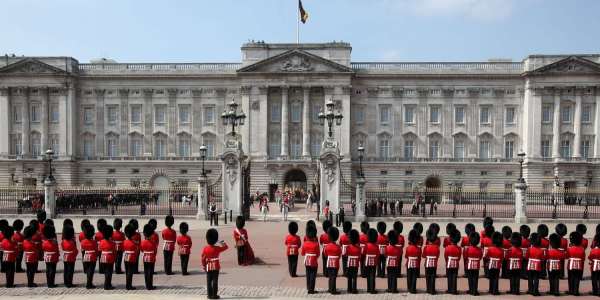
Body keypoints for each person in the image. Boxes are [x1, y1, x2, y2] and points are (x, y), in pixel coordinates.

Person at [202, 228, 228, 299]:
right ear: (215, 239)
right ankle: (214, 295)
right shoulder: (217, 248)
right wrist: (220, 241)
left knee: (208, 281)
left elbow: (203, 258)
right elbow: (226, 247)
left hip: (208, 266)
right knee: (215, 281)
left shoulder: (205, 248)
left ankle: (209, 295)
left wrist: (204, 266)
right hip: (216, 266)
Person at [301, 225, 319, 294]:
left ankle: (308, 287)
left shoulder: (305, 244)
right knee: (313, 275)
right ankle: (311, 289)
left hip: (307, 260)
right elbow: (318, 254)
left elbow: (302, 253)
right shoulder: (316, 244)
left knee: (308, 274)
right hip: (314, 260)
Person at [324, 226, 342, 295]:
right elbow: (339, 255)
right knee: (334, 276)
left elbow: (325, 254)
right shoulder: (338, 247)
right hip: (336, 263)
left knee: (330, 276)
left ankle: (330, 288)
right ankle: (333, 290)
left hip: (329, 262)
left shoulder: (327, 246)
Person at [566, 231, 585, 296]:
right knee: (577, 278)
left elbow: (567, 256)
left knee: (570, 278)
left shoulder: (570, 248)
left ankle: (571, 290)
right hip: (579, 265)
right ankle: (576, 291)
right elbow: (583, 258)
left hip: (571, 265)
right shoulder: (582, 249)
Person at [423, 229, 440, 295]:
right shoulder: (437, 247)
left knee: (428, 277)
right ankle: (432, 290)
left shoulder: (426, 247)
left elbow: (423, 256)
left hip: (427, 264)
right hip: (434, 264)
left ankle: (428, 289)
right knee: (433, 276)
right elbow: (438, 255)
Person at [444, 229, 462, 295]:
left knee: (449, 277)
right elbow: (459, 257)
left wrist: (447, 262)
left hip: (449, 263)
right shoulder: (459, 248)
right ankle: (454, 290)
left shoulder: (447, 247)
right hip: (456, 264)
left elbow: (445, 256)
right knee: (454, 276)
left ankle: (449, 289)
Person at [465, 232, 483, 296]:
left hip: (469, 265)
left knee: (470, 278)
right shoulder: (480, 249)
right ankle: (475, 291)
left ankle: (470, 290)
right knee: (475, 278)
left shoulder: (468, 249)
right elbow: (480, 257)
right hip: (476, 266)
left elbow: (466, 257)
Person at [99, 224, 115, 290]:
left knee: (106, 272)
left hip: (103, 257)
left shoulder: (101, 242)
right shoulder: (112, 243)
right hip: (109, 257)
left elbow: (100, 249)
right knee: (109, 272)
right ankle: (107, 285)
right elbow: (114, 251)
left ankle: (108, 283)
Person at [81, 224, 97, 289]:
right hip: (92, 257)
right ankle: (89, 284)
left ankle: (89, 283)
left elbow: (82, 250)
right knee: (91, 271)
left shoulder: (83, 242)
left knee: (88, 271)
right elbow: (96, 250)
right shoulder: (94, 242)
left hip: (85, 256)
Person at [363, 228, 379, 294]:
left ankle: (368, 288)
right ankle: (373, 289)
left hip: (367, 262)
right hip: (374, 262)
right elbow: (378, 254)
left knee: (368, 276)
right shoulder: (376, 246)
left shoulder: (366, 246)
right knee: (372, 276)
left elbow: (364, 253)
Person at [405, 229, 421, 294]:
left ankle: (409, 288)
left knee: (409, 276)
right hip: (416, 264)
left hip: (409, 263)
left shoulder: (408, 248)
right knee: (414, 276)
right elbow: (419, 257)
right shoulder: (419, 249)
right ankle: (413, 289)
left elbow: (406, 256)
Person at [141, 224, 156, 290]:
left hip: (145, 257)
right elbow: (155, 251)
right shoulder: (153, 243)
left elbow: (141, 250)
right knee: (150, 272)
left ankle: (147, 285)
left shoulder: (142, 242)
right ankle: (150, 285)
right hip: (151, 257)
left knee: (146, 271)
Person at [123, 224, 138, 290]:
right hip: (131, 257)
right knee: (130, 272)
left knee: (127, 272)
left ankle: (127, 284)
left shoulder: (124, 242)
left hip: (126, 257)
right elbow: (136, 251)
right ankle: (129, 286)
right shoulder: (134, 243)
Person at [345, 229, 360, 294]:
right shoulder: (359, 248)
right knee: (354, 277)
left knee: (349, 277)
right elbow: (359, 257)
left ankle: (349, 289)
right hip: (355, 264)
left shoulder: (348, 247)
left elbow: (346, 255)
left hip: (349, 264)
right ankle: (354, 289)